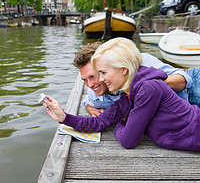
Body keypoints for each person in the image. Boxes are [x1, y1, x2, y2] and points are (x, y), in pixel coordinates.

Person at [43, 37, 200, 152]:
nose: (100, 79)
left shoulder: (147, 87)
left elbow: (128, 140)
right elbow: (98, 122)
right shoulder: (127, 96)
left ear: (123, 69)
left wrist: (120, 123)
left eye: (103, 72)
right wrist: (63, 117)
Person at [73, 42, 193, 117]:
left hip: (193, 89)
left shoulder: (140, 61)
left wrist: (150, 87)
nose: (89, 85)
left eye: (93, 76)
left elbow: (185, 79)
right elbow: (87, 101)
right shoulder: (98, 95)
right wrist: (91, 109)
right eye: (84, 80)